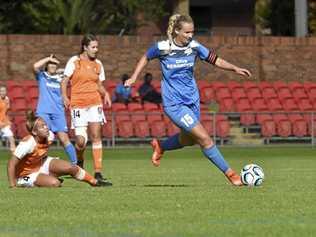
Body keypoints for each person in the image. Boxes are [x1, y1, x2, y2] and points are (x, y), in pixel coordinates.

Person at [125, 14, 252, 186]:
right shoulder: (163, 47)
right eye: (187, 32)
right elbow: (146, 57)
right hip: (174, 104)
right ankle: (232, 175)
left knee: (188, 140)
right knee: (205, 139)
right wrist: (133, 77)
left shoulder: (194, 46)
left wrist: (235, 68)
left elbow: (215, 59)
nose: (190, 35)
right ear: (177, 31)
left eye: (192, 32)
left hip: (192, 101)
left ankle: (161, 146)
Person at [7, 111, 112, 188]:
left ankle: (94, 182)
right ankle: (45, 179)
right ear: (34, 132)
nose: (46, 128)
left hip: (41, 163)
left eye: (46, 125)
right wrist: (13, 186)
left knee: (72, 168)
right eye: (42, 127)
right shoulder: (27, 143)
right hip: (25, 175)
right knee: (55, 183)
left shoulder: (50, 136)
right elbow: (11, 163)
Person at [61, 34, 112, 183]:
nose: (96, 50)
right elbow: (64, 81)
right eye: (93, 47)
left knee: (96, 135)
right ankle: (80, 161)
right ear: (85, 47)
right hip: (78, 104)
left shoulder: (98, 64)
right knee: (81, 142)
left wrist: (106, 94)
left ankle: (98, 171)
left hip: (95, 103)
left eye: (97, 47)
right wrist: (65, 97)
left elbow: (99, 85)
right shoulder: (74, 61)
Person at [33, 54, 77, 165]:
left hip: (58, 112)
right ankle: (36, 164)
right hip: (44, 112)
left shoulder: (61, 78)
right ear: (47, 65)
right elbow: (34, 66)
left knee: (64, 139)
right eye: (50, 63)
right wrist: (48, 58)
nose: (52, 65)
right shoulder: (42, 76)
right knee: (42, 139)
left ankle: (75, 165)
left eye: (55, 63)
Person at [0, 85, 16, 153]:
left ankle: (15, 156)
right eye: (1, 91)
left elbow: (6, 111)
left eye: (4, 91)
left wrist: (7, 121)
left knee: (11, 137)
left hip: (4, 122)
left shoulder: (7, 99)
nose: (3, 92)